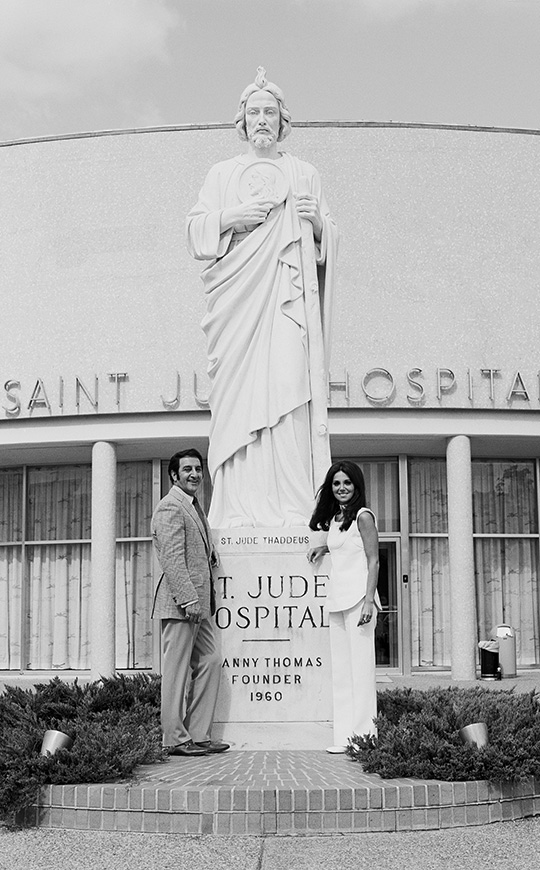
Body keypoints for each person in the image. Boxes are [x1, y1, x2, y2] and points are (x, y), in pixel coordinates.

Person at [186, 67, 338, 528]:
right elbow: (196, 232)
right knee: (238, 399)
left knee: (289, 391)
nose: (262, 120)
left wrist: (315, 225)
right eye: (254, 112)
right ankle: (235, 507)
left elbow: (329, 241)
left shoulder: (303, 172)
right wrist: (234, 215)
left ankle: (294, 507)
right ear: (243, 121)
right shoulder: (221, 173)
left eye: (270, 112)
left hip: (288, 308)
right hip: (237, 309)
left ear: (282, 120)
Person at [151, 449, 229, 755]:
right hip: (181, 604)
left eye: (198, 469)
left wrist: (210, 553)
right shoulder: (170, 507)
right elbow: (171, 559)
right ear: (174, 475)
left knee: (210, 660)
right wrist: (188, 599)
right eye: (187, 470)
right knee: (177, 672)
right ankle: (174, 738)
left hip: (200, 605)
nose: (194, 474)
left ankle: (198, 735)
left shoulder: (194, 506)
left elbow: (192, 550)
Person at [308, 461, 380, 753]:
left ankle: (364, 738)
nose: (341, 488)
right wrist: (323, 547)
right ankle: (344, 738)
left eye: (347, 483)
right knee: (341, 672)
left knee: (361, 673)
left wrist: (368, 601)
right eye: (336, 483)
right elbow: (346, 547)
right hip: (337, 600)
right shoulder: (337, 518)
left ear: (357, 486)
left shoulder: (364, 516)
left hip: (358, 602)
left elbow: (373, 560)